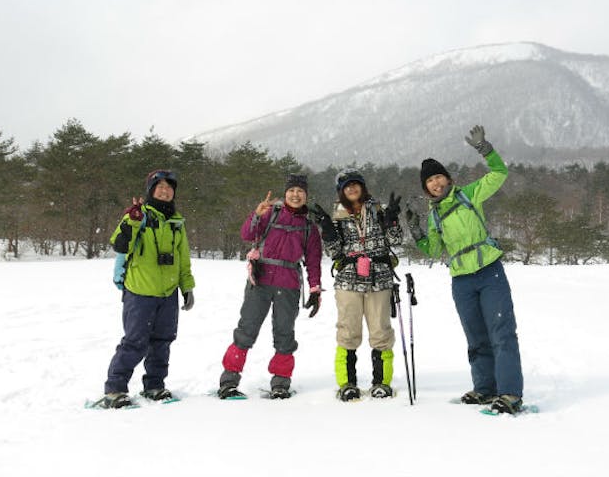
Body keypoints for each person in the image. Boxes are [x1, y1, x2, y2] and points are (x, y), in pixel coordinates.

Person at [405, 125, 524, 414]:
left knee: (502, 331)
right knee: (475, 336)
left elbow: (499, 174)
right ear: (426, 188)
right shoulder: (434, 216)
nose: (435, 183)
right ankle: (485, 389)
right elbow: (433, 250)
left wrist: (486, 150)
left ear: (448, 178)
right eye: (429, 181)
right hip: (461, 279)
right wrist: (417, 232)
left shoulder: (468, 194)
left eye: (438, 176)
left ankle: (510, 393)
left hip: (488, 270)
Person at [94, 169, 196, 409]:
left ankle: (154, 385)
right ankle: (115, 389)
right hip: (140, 291)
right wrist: (131, 220)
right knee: (134, 342)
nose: (165, 190)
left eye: (169, 187)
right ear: (150, 190)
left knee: (162, 341)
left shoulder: (176, 223)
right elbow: (119, 244)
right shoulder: (138, 215)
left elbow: (183, 259)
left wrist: (187, 287)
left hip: (168, 293)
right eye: (159, 186)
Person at [217, 174, 322, 399]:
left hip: (290, 284)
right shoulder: (270, 214)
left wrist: (315, 289)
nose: (295, 195)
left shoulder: (309, 227)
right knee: (246, 330)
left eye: (300, 192)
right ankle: (229, 380)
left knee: (284, 335)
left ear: (306, 196)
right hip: (261, 280)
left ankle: (281, 383)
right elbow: (247, 234)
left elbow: (313, 261)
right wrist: (256, 215)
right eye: (291, 191)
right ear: (285, 194)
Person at [309, 169, 403, 401]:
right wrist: (328, 232)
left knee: (381, 333)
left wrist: (392, 220)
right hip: (348, 281)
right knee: (348, 333)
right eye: (346, 186)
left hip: (379, 279)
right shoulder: (337, 217)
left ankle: (382, 383)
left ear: (362, 187)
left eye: (355, 184)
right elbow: (334, 253)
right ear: (340, 191)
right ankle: (347, 383)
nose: (351, 188)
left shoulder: (378, 211)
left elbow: (396, 240)